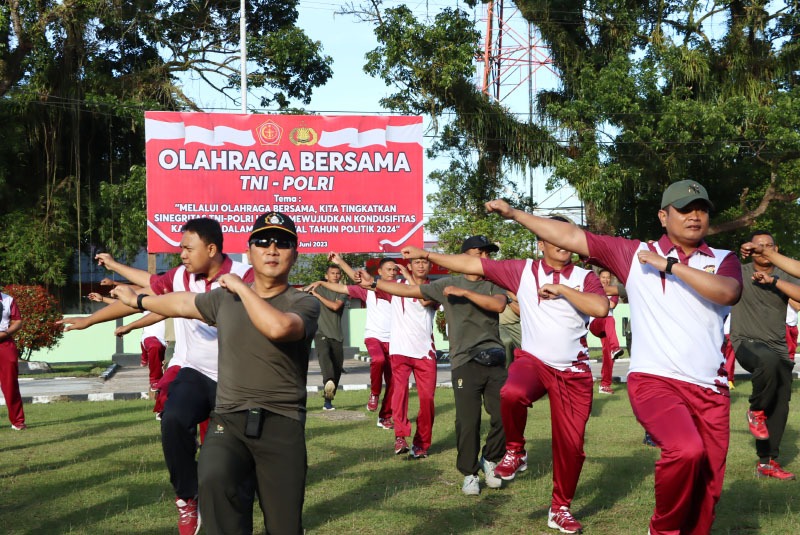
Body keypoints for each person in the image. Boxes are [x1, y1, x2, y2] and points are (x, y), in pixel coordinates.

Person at [477, 181, 742, 534]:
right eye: (684, 209)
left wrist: (670, 266)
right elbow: (571, 236)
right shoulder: (634, 254)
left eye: (702, 209)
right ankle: (661, 529)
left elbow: (728, 293)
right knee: (685, 450)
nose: (695, 216)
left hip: (710, 388)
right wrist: (514, 214)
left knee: (708, 489)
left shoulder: (723, 259)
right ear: (664, 217)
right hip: (655, 381)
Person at [110, 211, 319, 535]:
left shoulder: (302, 302)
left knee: (284, 527)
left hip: (282, 423)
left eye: (282, 243)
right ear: (249, 251)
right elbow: (182, 304)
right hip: (230, 421)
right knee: (213, 478)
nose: (272, 249)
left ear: (295, 253)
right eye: (262, 241)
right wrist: (140, 300)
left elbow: (278, 328)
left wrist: (242, 289)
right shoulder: (223, 298)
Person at [401, 220, 608, 533]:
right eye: (553, 236)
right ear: (541, 243)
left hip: (573, 372)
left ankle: (560, 508)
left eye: (569, 236)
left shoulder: (585, 277)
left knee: (572, 448)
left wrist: (563, 290)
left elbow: (601, 307)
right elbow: (472, 264)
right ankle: (514, 450)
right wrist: (426, 255)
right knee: (511, 393)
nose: (562, 242)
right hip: (533, 362)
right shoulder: (522, 270)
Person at [61, 217, 253, 535]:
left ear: (211, 249)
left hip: (237, 379)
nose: (182, 255)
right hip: (195, 371)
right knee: (173, 418)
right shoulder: (180, 277)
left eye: (188, 248)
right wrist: (89, 321)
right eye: (181, 248)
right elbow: (140, 297)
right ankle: (187, 497)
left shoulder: (245, 276)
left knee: (230, 466)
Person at [359, 235, 508, 495]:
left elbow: (497, 305)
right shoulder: (447, 284)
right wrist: (373, 282)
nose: (485, 258)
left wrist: (464, 293)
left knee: (505, 415)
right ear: (464, 257)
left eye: (488, 253)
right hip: (464, 361)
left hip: (493, 357)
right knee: (468, 421)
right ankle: (470, 473)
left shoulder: (493, 284)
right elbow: (409, 291)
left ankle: (491, 458)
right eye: (480, 253)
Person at [730, 231, 800, 480]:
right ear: (749, 249)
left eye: (769, 246)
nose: (763, 249)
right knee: (767, 361)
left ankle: (767, 462)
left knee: (780, 404)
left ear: (776, 249)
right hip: (746, 342)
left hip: (778, 346)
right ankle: (756, 410)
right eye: (758, 245)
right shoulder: (738, 271)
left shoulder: (785, 274)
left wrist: (773, 281)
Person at [305, 254, 398, 428]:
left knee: (393, 382)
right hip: (373, 336)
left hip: (395, 340)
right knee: (378, 360)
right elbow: (351, 281)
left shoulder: (401, 289)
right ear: (380, 272)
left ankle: (384, 417)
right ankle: (373, 393)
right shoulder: (367, 289)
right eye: (389, 269)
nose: (392, 272)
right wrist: (333, 268)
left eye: (395, 270)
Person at [358, 257, 438, 457]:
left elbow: (423, 299)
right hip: (400, 351)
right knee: (399, 395)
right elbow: (369, 283)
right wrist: (353, 270)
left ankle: (421, 444)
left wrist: (408, 276)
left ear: (430, 266)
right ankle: (400, 436)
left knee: (427, 400)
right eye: (416, 262)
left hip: (425, 353)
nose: (421, 265)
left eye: (424, 262)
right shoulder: (395, 286)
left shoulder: (434, 288)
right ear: (409, 265)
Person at [305, 264, 348, 411]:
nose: (335, 275)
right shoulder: (318, 288)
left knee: (337, 368)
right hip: (320, 332)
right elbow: (302, 290)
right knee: (324, 356)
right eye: (332, 273)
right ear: (326, 276)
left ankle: (328, 400)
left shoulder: (343, 291)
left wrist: (317, 295)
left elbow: (335, 306)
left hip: (337, 335)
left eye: (337, 273)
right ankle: (328, 380)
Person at [588, 268, 625, 394]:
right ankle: (615, 347)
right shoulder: (593, 289)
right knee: (609, 319)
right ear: (599, 278)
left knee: (608, 356)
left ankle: (604, 385)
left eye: (608, 278)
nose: (606, 280)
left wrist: (599, 298)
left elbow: (612, 305)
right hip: (596, 324)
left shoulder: (613, 292)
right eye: (603, 277)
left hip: (607, 329)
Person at [0, 290, 25, 430]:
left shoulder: (8, 299)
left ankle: (18, 422)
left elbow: (17, 321)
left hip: (4, 343)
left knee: (10, 384)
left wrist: (5, 333)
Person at [498, 291, 521, 367]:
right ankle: (507, 369)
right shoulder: (493, 288)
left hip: (516, 324)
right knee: (507, 342)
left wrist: (509, 300)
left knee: (528, 348)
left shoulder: (517, 290)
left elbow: (521, 312)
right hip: (499, 324)